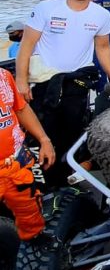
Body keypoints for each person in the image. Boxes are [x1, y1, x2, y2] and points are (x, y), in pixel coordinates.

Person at [15, 0, 110, 186]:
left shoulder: (101, 14)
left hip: (76, 82)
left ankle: (69, 183)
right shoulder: (46, 8)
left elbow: (103, 48)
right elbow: (27, 45)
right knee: (44, 135)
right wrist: (21, 81)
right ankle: (47, 186)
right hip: (43, 82)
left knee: (72, 132)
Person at [1, 67, 54, 243]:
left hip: (16, 166)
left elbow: (21, 108)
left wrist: (44, 140)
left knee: (32, 223)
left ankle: (34, 251)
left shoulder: (3, 76)